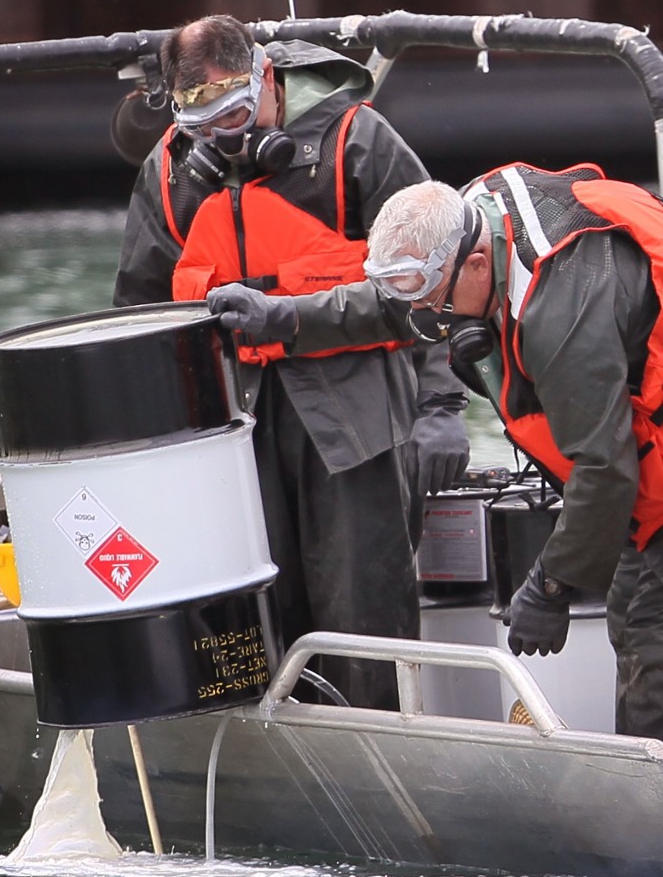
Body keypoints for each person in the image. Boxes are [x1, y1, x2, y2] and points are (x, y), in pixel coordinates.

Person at [208, 165, 663, 740]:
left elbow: (605, 466)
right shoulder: (471, 214)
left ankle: (644, 818)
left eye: (431, 300)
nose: (425, 319)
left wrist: (549, 585)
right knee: (632, 611)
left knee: (651, 636)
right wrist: (287, 316)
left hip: (635, 485)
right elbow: (396, 301)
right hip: (639, 499)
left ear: (477, 265)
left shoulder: (559, 313)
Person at [114, 14, 470, 710]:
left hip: (355, 419)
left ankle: (379, 761)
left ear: (267, 80)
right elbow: (139, 314)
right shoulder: (169, 173)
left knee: (365, 612)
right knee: (255, 620)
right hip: (235, 427)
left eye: (238, 114)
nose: (226, 138)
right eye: (203, 126)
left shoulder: (357, 142)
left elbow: (443, 279)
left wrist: (442, 406)